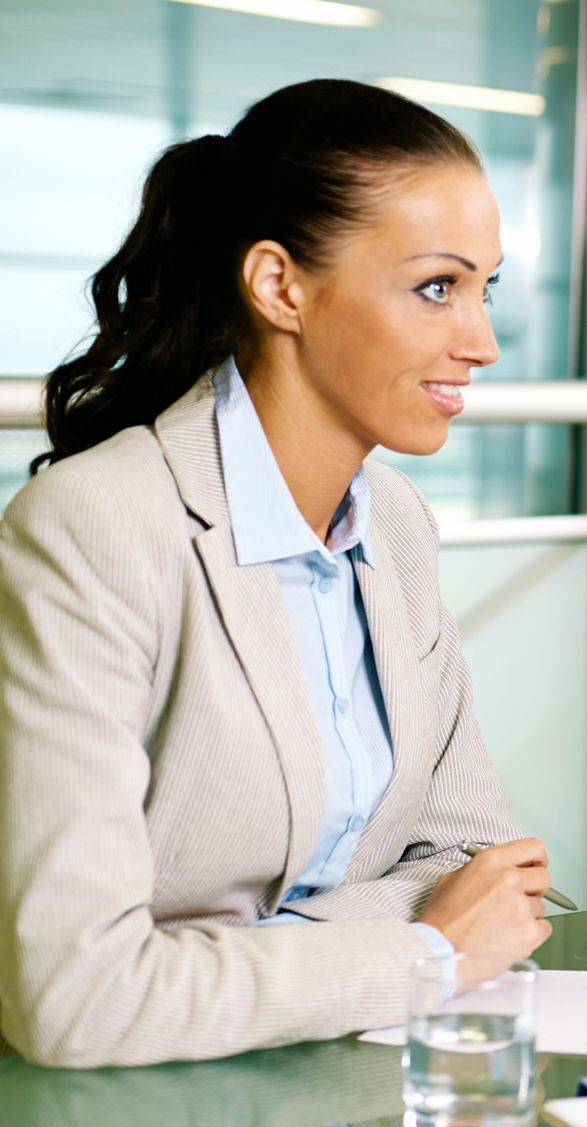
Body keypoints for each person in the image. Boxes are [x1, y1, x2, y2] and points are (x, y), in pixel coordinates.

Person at [0, 80, 552, 1069]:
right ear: (279, 285)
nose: (482, 341)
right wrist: (419, 946)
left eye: (485, 288)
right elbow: (75, 997)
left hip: (334, 1095)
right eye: (437, 287)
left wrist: (219, 953)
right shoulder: (96, 529)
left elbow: (490, 877)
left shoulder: (397, 524)